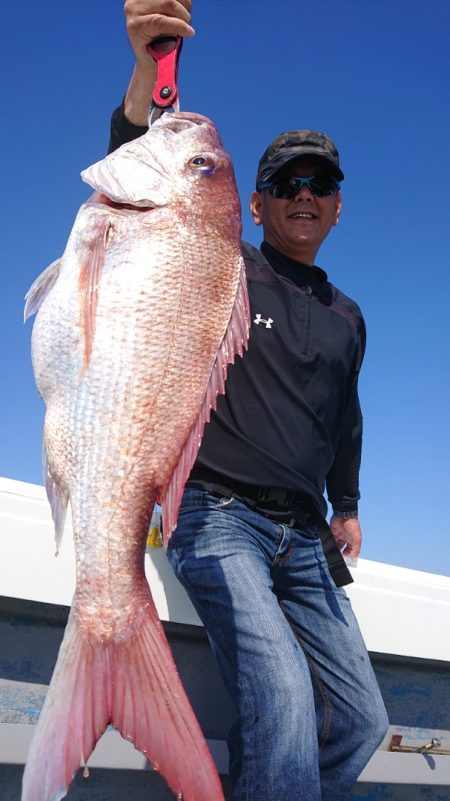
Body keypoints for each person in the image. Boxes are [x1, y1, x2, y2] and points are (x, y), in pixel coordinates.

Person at [108, 2, 389, 800]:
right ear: (257, 205)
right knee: (287, 704)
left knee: (363, 721)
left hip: (305, 538)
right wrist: (149, 67)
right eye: (286, 183)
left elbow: (346, 419)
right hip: (216, 517)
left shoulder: (348, 316)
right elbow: (151, 187)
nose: (305, 192)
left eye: (321, 182)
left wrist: (350, 503)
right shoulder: (220, 265)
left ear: (338, 205)